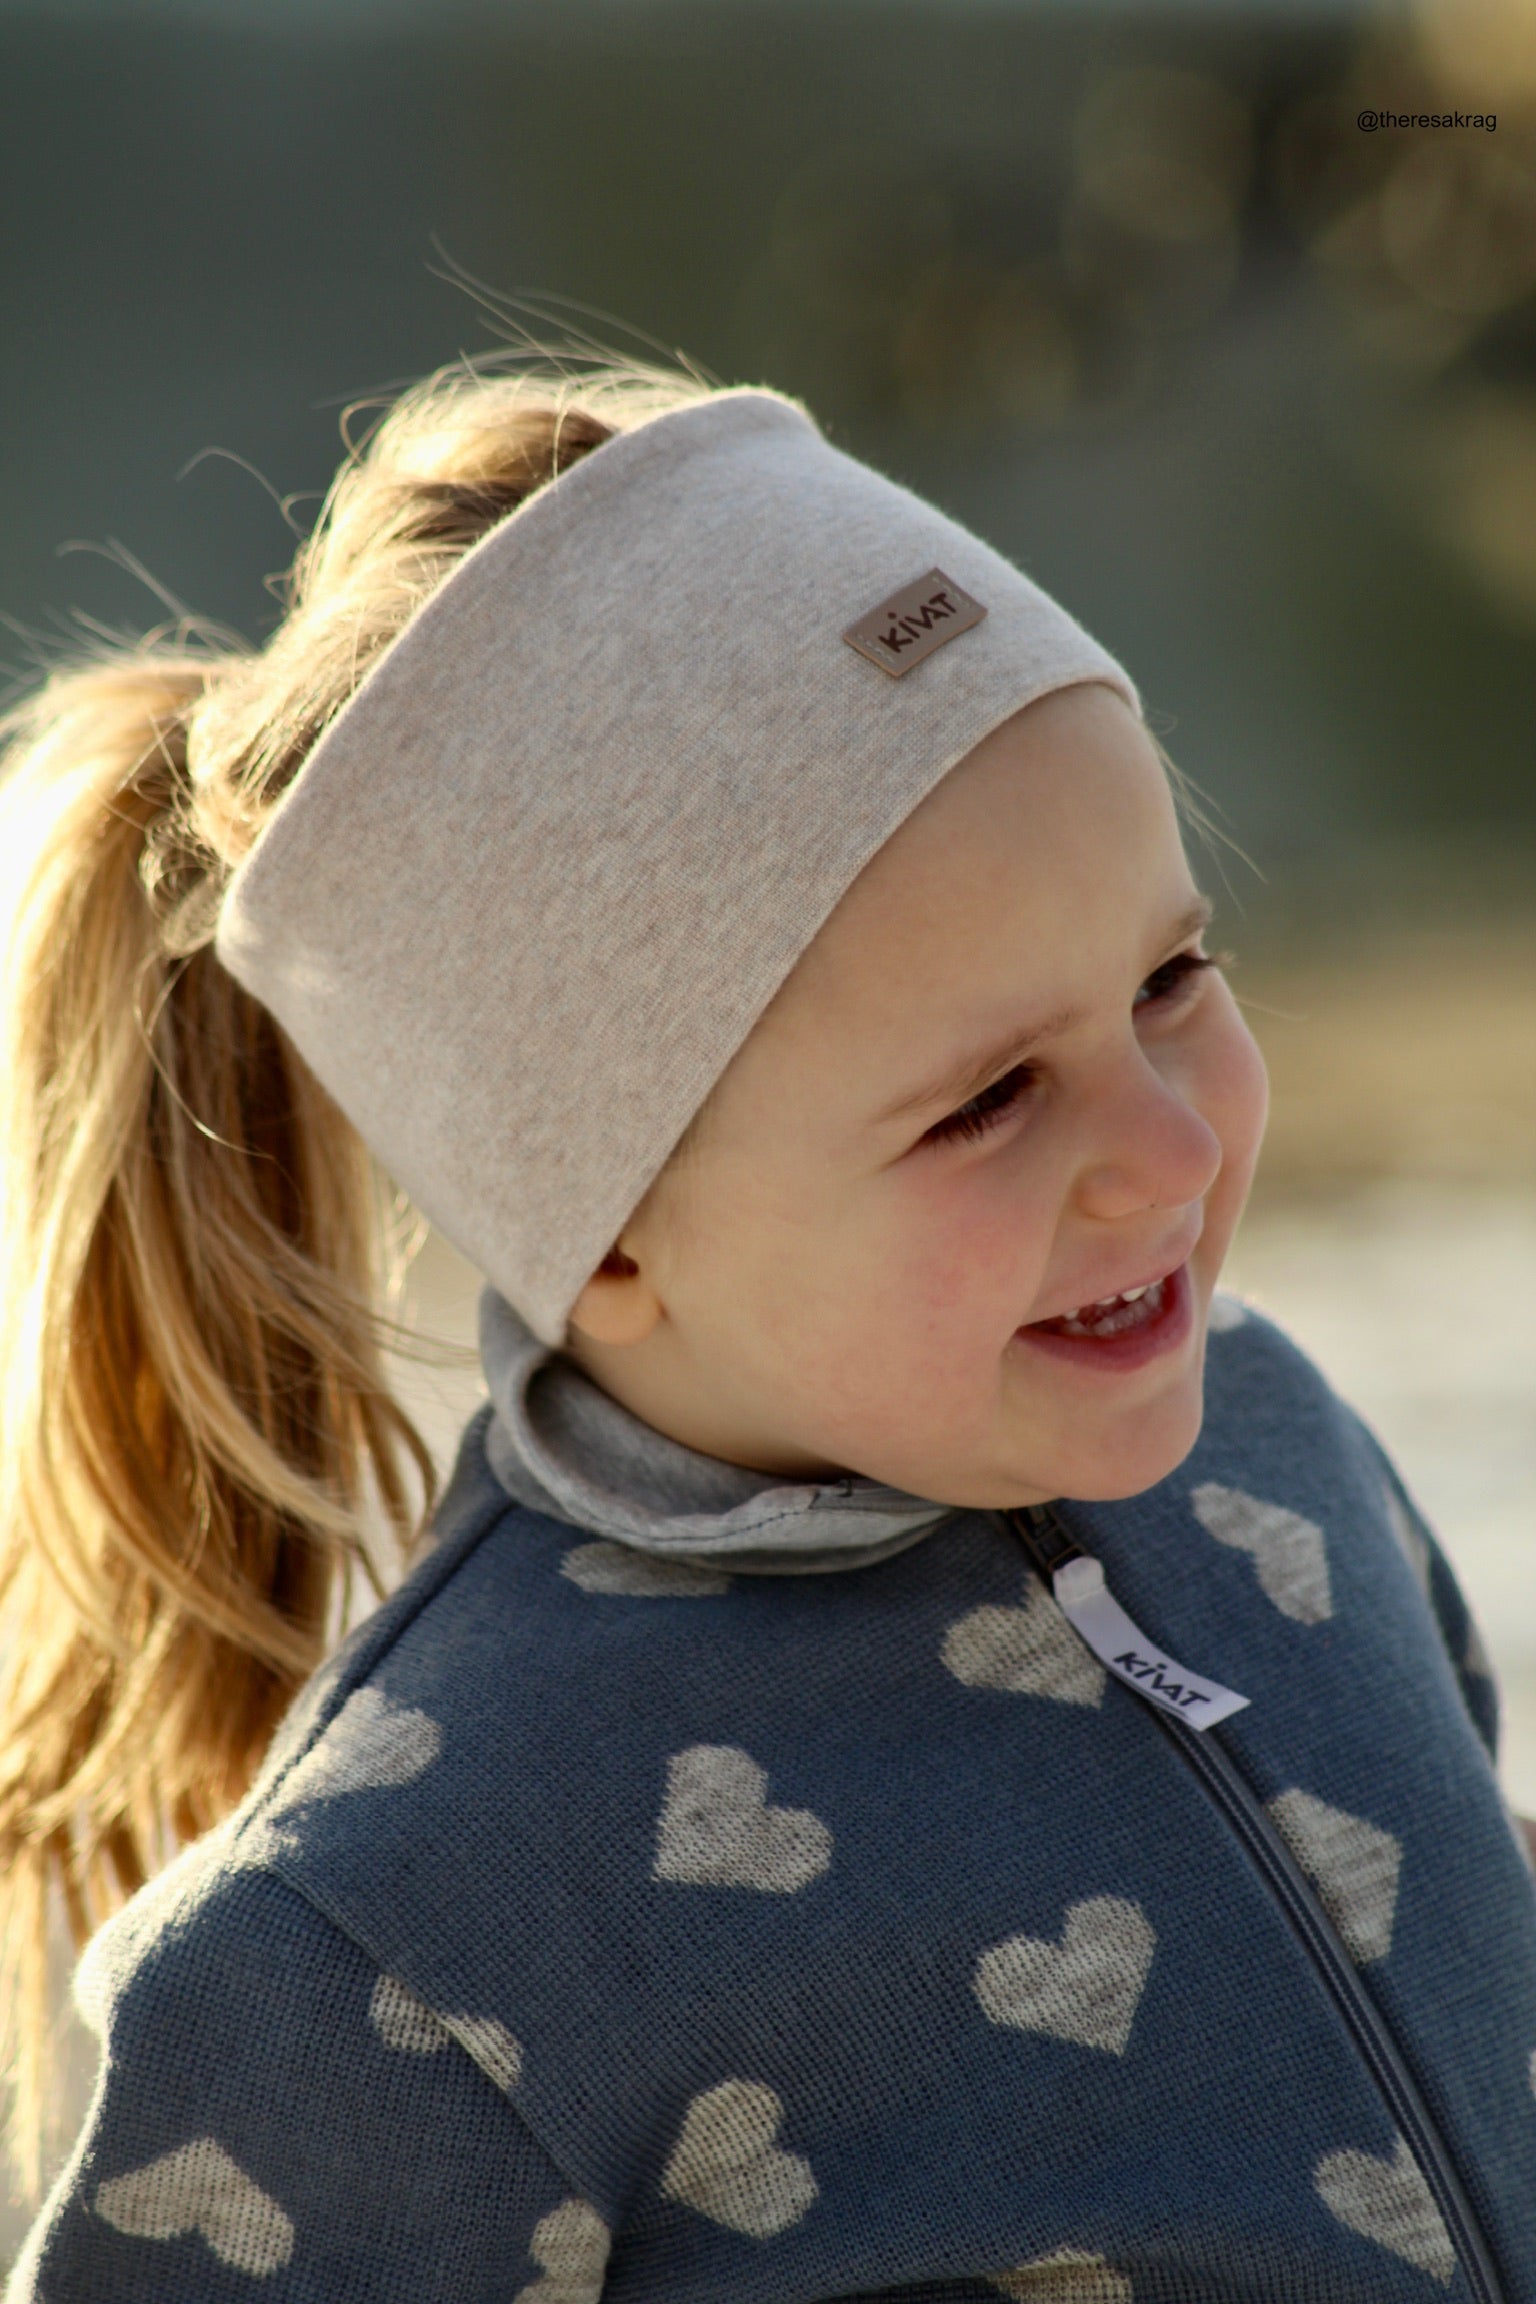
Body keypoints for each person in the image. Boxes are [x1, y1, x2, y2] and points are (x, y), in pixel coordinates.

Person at [1, 355, 1532, 2304]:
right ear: (612, 1242)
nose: (1167, 1150)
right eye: (990, 1098)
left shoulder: (1273, 1438)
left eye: (1172, 977)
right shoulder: (404, 1926)